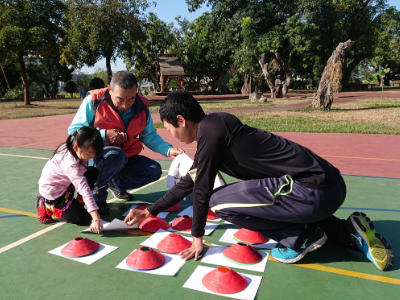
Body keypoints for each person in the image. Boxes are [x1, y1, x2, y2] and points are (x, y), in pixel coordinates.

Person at [125, 90, 394, 271]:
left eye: (170, 128)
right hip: (328, 188)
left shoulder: (211, 130)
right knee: (271, 196)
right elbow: (190, 182)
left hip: (311, 191)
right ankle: (349, 233)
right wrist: (148, 211)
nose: (171, 135)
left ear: (181, 120)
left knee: (219, 203)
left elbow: (203, 191)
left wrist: (197, 237)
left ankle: (298, 237)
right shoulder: (215, 129)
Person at [68, 71, 182, 215]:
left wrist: (168, 149)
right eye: (120, 99)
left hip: (125, 158)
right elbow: (74, 131)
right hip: (95, 158)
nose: (125, 104)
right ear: (110, 90)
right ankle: (97, 196)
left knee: (153, 170)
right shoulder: (93, 100)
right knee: (116, 154)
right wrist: (104, 134)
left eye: (131, 99)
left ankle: (115, 184)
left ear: (137, 92)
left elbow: (149, 135)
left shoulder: (142, 106)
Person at [36, 126, 104, 234]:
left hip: (65, 183)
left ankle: (78, 203)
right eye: (88, 154)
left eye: (94, 154)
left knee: (92, 172)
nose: (91, 157)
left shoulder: (71, 145)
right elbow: (84, 189)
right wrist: (96, 218)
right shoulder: (70, 164)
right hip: (55, 194)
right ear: (76, 147)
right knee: (83, 219)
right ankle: (46, 206)